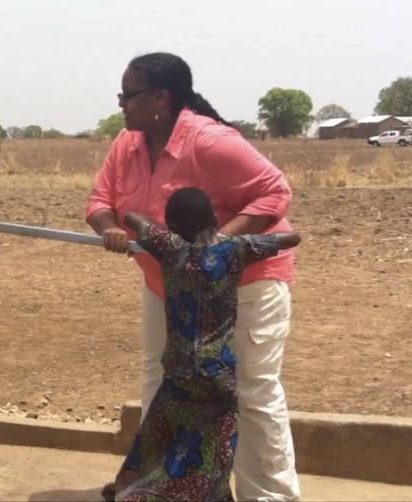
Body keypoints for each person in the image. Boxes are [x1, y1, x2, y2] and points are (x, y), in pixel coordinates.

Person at [85, 52, 301, 501]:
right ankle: (163, 486)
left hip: (244, 288)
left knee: (249, 390)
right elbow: (101, 200)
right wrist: (108, 229)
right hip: (167, 287)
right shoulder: (127, 144)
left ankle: (269, 496)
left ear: (161, 98)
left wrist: (216, 249)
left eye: (129, 95)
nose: (121, 104)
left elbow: (274, 191)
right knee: (162, 380)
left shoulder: (210, 142)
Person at [113, 187, 301, 502]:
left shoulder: (169, 248)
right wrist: (241, 240)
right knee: (216, 447)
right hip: (218, 373)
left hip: (179, 372)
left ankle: (143, 491)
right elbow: (291, 239)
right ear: (214, 219)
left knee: (163, 439)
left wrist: (150, 227)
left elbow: (133, 219)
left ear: (172, 227)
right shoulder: (234, 250)